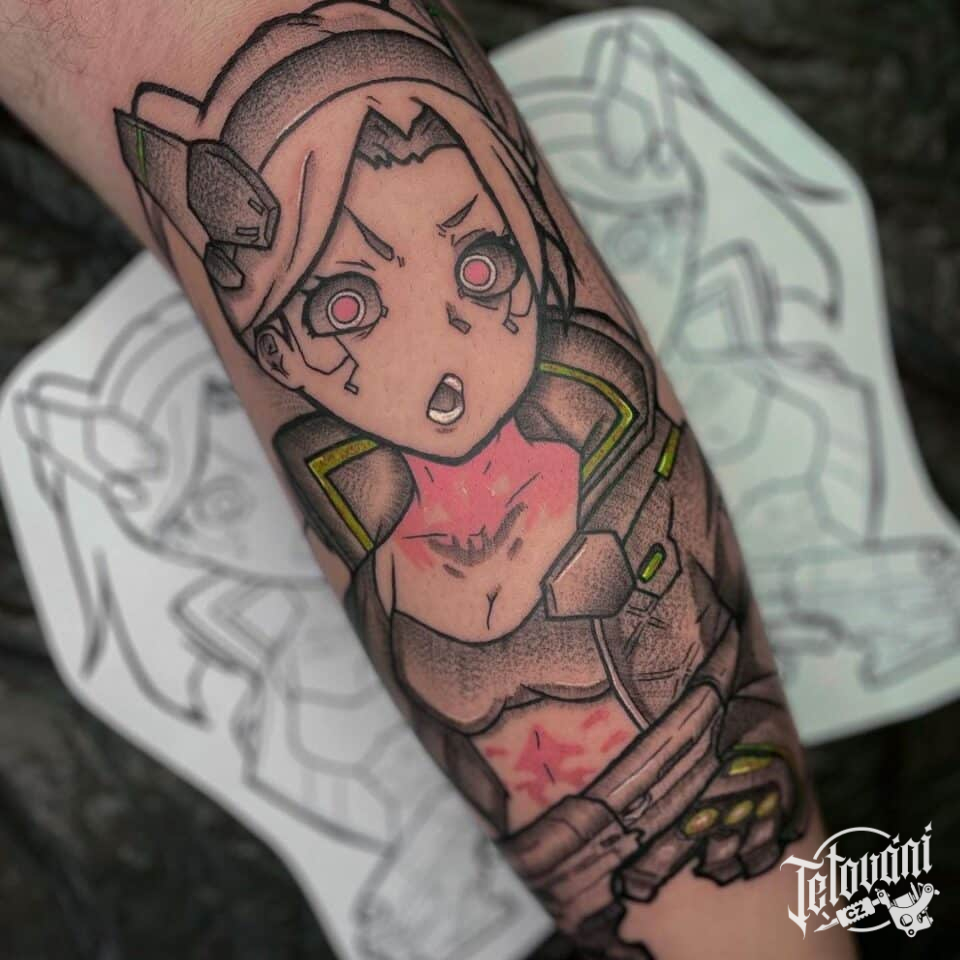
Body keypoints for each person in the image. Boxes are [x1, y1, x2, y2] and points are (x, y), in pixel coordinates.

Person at [0, 2, 855, 957]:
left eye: (482, 270)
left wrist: (748, 796)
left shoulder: (617, 457)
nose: (445, 363)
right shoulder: (378, 539)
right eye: (348, 305)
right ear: (282, 347)